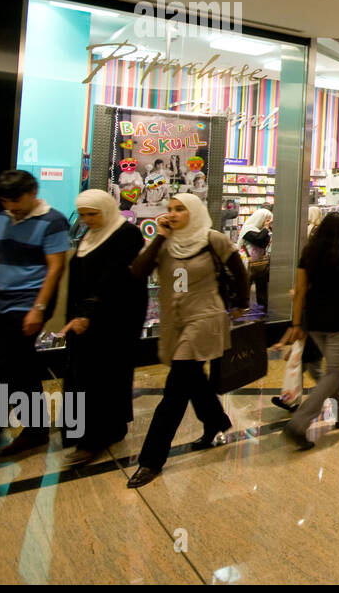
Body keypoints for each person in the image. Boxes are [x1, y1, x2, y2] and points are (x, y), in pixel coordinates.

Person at [125, 193, 249, 488]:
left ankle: (151, 460)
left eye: (180, 209)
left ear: (194, 212)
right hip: (175, 322)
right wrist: (160, 237)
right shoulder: (165, 243)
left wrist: (241, 303)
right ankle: (216, 420)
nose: (173, 213)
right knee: (193, 378)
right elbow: (138, 271)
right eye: (170, 209)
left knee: (175, 390)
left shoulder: (212, 239)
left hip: (204, 319)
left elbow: (239, 271)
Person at [0, 171, 71, 471]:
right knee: (21, 369)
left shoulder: (53, 221)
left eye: (16, 201)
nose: (11, 207)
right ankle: (36, 430)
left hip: (28, 304)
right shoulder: (2, 218)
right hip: (0, 302)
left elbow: (55, 267)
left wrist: (38, 308)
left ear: (33, 192)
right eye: (5, 201)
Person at [276, 209, 339, 450]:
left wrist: (296, 324)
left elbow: (300, 291)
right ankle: (299, 423)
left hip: (315, 321)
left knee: (333, 370)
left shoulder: (309, 253)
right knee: (335, 372)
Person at [59, 190, 147, 466]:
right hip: (86, 316)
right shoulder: (92, 234)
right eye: (83, 215)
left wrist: (87, 313)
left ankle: (93, 439)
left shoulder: (126, 234)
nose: (87, 220)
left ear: (106, 209)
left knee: (101, 377)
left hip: (115, 319)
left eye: (92, 214)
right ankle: (103, 429)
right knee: (85, 373)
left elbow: (114, 278)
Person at [238, 207, 273, 310]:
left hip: (259, 262)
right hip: (247, 262)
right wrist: (265, 229)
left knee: (262, 284)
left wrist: (267, 230)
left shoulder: (261, 230)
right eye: (266, 220)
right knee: (246, 283)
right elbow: (258, 239)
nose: (268, 223)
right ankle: (243, 305)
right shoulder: (248, 229)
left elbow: (263, 243)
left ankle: (262, 304)